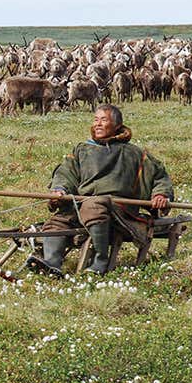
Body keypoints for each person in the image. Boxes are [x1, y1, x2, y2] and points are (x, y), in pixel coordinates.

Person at [26, 104, 173, 277]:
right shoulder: (82, 150)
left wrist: (160, 194)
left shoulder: (134, 154)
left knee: (94, 205)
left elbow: (159, 176)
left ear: (117, 125)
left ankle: (100, 260)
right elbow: (66, 173)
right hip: (81, 205)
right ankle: (52, 263)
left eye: (104, 120)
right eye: (96, 119)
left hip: (118, 208)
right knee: (58, 221)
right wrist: (59, 190)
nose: (98, 124)